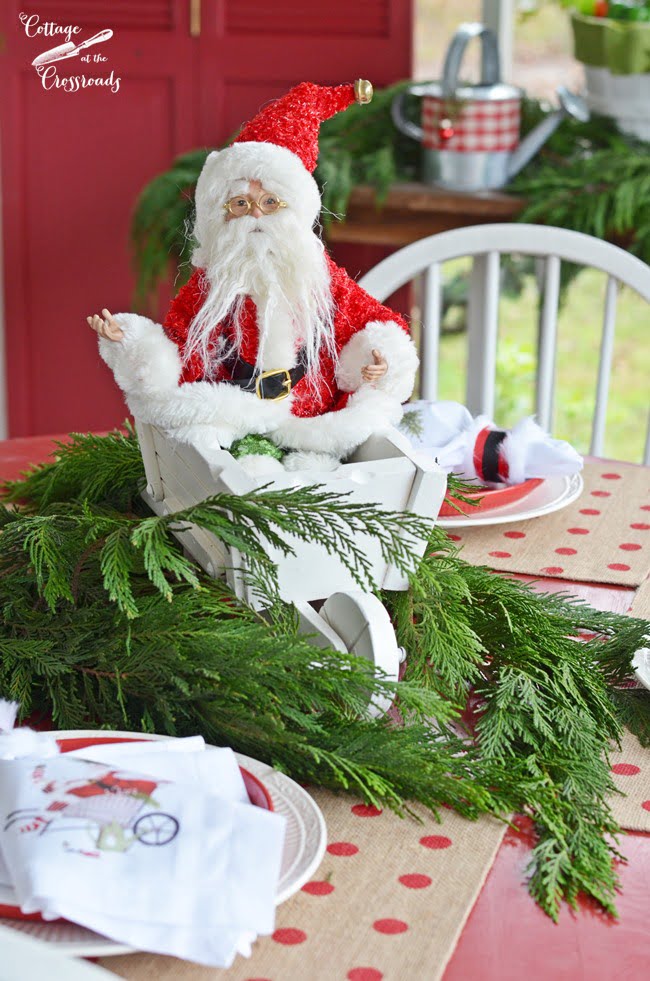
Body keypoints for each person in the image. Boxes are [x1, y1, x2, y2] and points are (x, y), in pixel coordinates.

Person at [89, 81, 418, 472]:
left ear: (294, 209)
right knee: (243, 467)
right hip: (238, 411)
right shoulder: (213, 282)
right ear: (221, 213)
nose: (257, 215)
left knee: (315, 468)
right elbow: (178, 347)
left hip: (311, 414)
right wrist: (131, 342)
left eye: (270, 203)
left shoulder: (320, 277)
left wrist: (380, 359)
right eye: (242, 204)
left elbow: (371, 323)